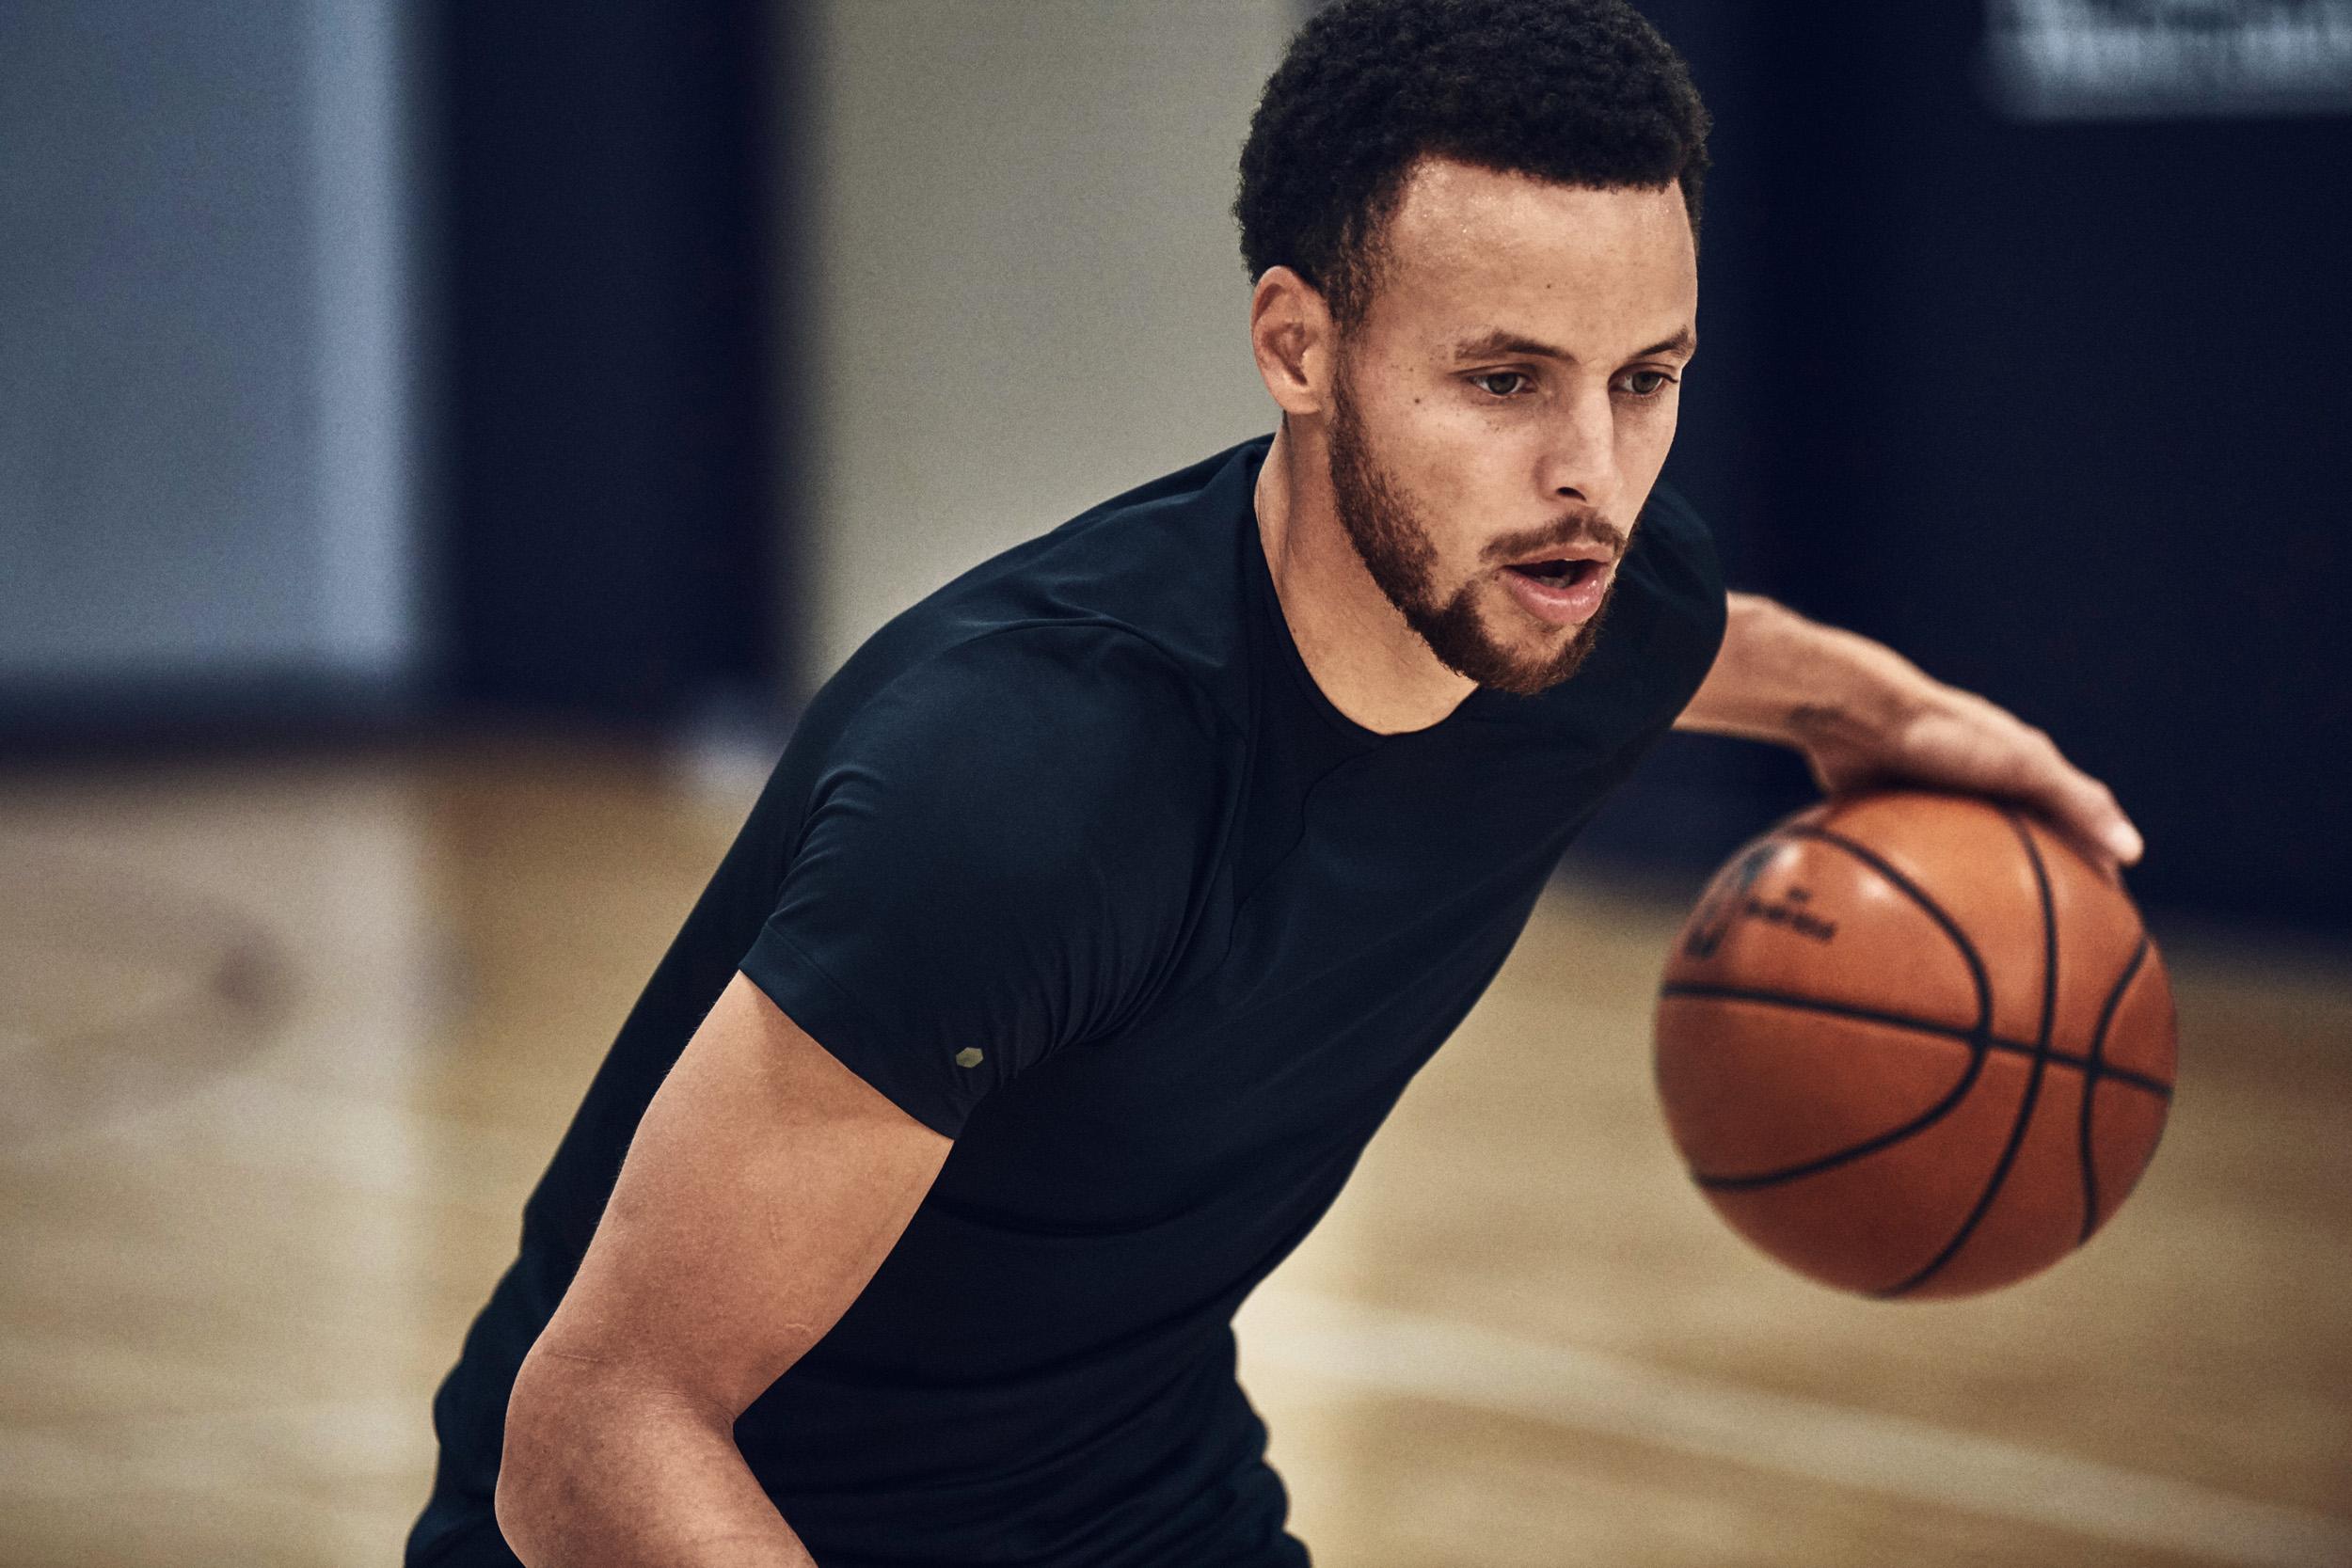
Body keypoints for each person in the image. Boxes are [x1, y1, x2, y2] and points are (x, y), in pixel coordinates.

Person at [410, 2, 2143, 1563]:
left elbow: (1700, 635)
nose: (1593, 476)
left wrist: (1880, 709)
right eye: (1503, 380)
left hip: (1139, 1498)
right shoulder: (1026, 793)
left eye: (1647, 381)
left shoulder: (1579, 592)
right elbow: (596, 1436)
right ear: (1298, 347)